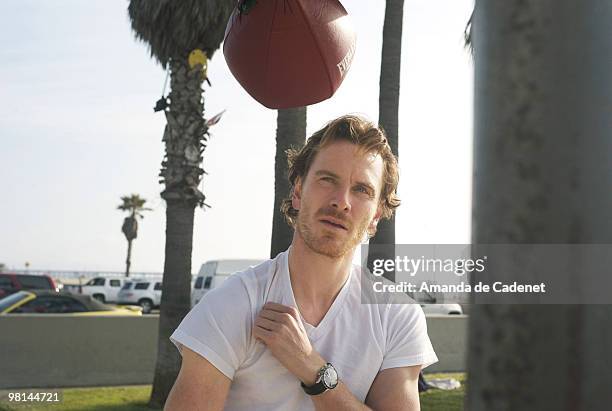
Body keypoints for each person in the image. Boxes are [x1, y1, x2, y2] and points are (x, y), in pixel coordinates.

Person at [165, 114, 438, 411]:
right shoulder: (235, 303)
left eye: (362, 189)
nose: (341, 201)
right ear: (297, 192)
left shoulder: (396, 315)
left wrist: (314, 370)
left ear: (375, 216)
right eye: (327, 179)